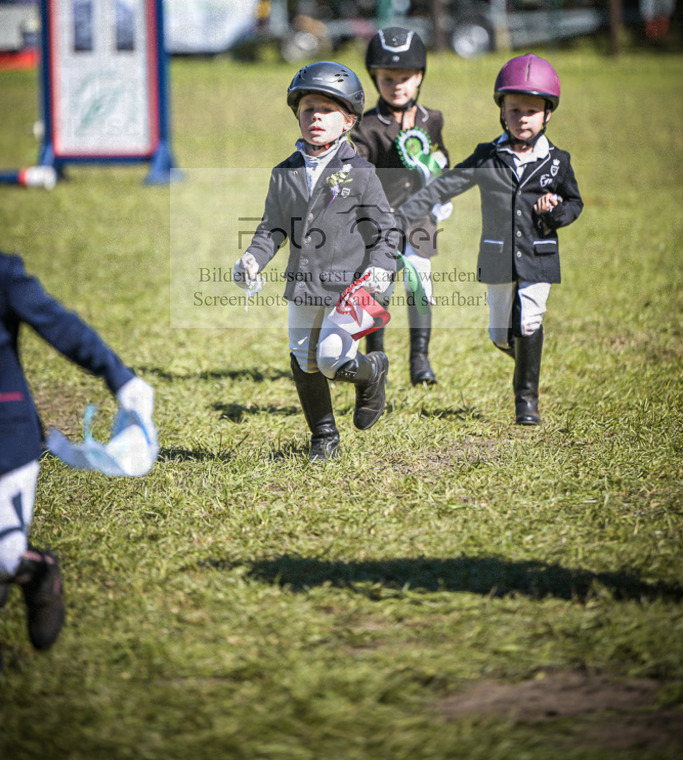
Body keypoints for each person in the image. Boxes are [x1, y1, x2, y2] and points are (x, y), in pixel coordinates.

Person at [395, 53, 583, 426]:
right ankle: (527, 360)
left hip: (538, 256)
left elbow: (574, 203)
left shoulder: (558, 161)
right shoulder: (487, 157)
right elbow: (445, 185)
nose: (522, 118)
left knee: (529, 321)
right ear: (501, 111)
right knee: (500, 334)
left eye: (532, 110)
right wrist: (400, 215)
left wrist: (555, 211)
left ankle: (526, 400)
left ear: (548, 114)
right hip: (497, 258)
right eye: (514, 110)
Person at [233, 61, 398, 462]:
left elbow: (387, 231)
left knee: (330, 359)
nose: (316, 117)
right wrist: (253, 258)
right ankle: (323, 435)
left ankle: (371, 371)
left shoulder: (361, 172)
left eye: (327, 110)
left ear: (348, 121)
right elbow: (272, 227)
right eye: (308, 108)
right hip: (305, 285)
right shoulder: (284, 173)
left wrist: (381, 266)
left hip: (355, 286)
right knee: (304, 360)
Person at [0, 251, 154, 668]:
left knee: (4, 557)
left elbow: (58, 325)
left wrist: (119, 377)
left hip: (6, 436)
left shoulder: (3, 273)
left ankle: (37, 571)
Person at [351, 26, 450, 385]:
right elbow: (357, 169)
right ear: (375, 77)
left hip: (421, 218)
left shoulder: (431, 119)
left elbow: (441, 160)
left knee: (419, 285)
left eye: (405, 78)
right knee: (379, 286)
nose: (397, 85)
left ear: (419, 76)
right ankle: (375, 356)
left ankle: (420, 359)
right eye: (388, 78)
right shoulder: (366, 126)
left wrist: (443, 194)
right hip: (379, 223)